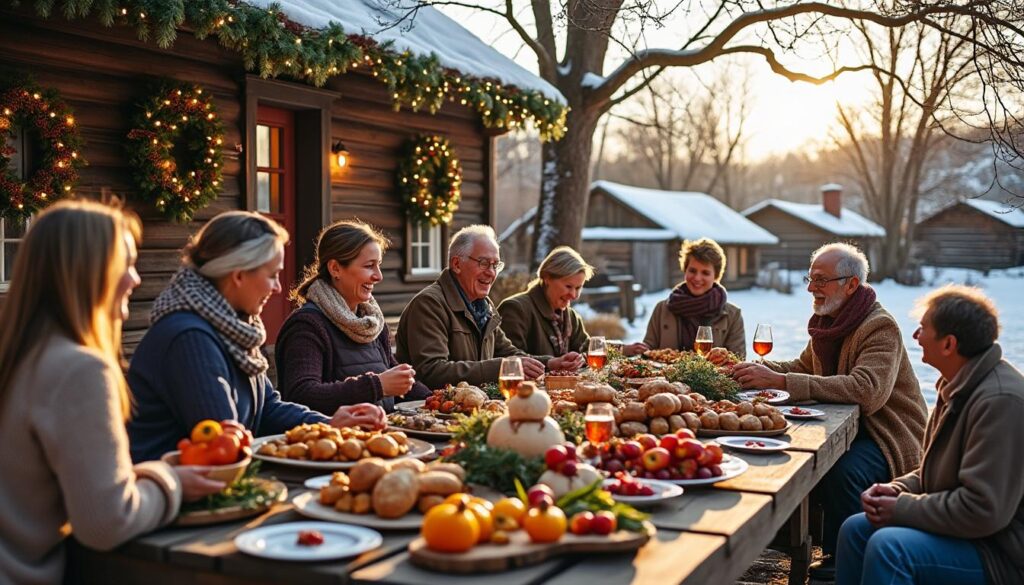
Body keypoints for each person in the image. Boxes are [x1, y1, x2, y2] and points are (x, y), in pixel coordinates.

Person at [0, 201, 224, 584]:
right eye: (126, 263)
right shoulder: (77, 369)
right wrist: (172, 482)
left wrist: (156, 470)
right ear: (87, 272)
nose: (135, 279)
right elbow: (107, 522)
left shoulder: (19, 354)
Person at [731, 242, 928, 580]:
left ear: (851, 284)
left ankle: (846, 558)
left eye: (820, 280)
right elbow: (803, 367)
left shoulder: (880, 326)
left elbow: (866, 391)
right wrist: (755, 370)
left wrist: (780, 379)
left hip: (886, 435)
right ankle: (792, 538)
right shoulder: (830, 322)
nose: (811, 288)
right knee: (794, 457)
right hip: (850, 426)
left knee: (840, 469)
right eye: (811, 279)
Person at [127, 211, 385, 462]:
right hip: (176, 494)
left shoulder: (235, 327)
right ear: (238, 275)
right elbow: (225, 441)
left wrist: (329, 423)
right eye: (272, 275)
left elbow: (267, 407)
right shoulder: (189, 338)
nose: (278, 288)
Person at [837, 285, 1024, 585]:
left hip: (999, 553)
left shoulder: (1000, 401)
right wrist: (896, 489)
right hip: (966, 532)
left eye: (923, 329)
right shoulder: (958, 382)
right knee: (855, 528)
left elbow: (982, 510)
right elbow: (936, 473)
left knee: (890, 549)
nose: (916, 336)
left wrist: (901, 509)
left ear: (949, 344)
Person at [275, 220, 430, 414]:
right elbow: (301, 394)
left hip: (383, 439)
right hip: (333, 442)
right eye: (369, 266)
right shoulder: (306, 326)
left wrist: (438, 401)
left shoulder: (373, 323)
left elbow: (398, 381)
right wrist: (377, 386)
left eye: (378, 265)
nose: (378, 276)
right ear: (335, 269)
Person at [396, 225, 546, 389]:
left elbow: (509, 354)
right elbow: (432, 372)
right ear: (457, 264)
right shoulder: (429, 304)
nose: (491, 273)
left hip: (474, 406)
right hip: (430, 410)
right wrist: (503, 368)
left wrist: (552, 363)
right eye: (483, 263)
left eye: (495, 265)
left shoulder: (483, 306)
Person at [637, 237, 746, 359]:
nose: (697, 278)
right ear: (685, 270)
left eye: (705, 273)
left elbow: (738, 361)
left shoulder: (732, 315)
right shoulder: (662, 309)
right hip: (664, 377)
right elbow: (647, 354)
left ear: (716, 276)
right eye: (692, 271)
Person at [496, 246, 593, 371]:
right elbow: (509, 358)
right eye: (568, 286)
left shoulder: (571, 317)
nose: (574, 295)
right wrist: (551, 363)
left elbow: (588, 349)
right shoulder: (516, 309)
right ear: (547, 278)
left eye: (578, 288)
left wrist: (580, 359)